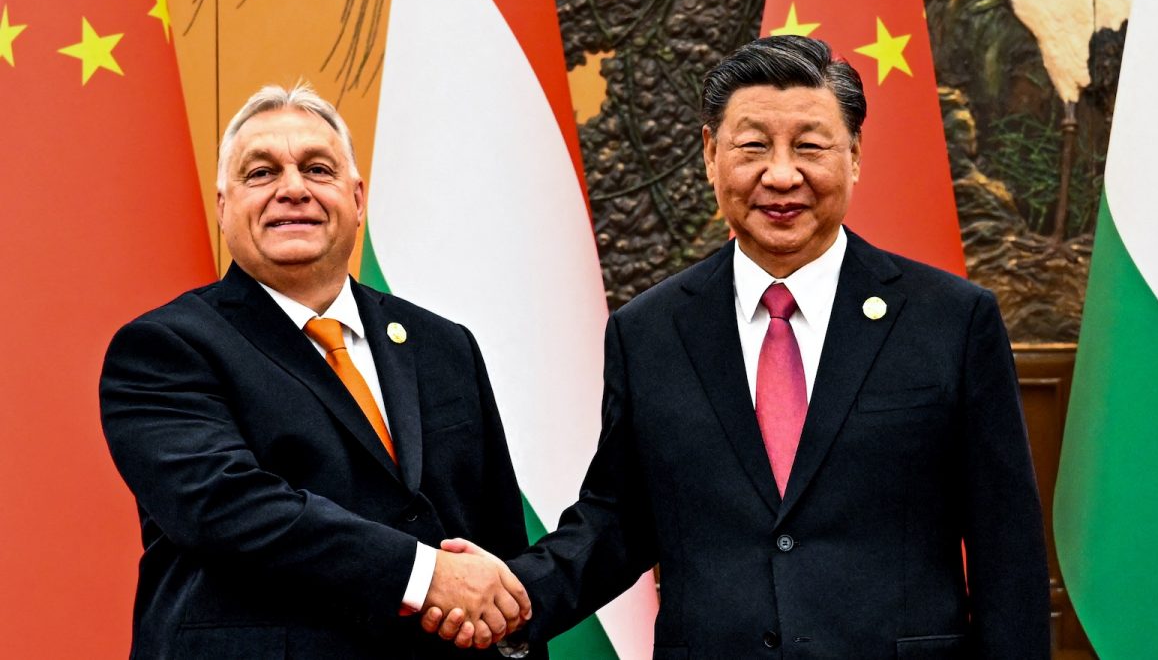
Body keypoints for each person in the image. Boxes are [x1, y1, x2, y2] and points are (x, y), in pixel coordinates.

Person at [428, 36, 1050, 658]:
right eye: (753, 146)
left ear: (855, 155)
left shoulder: (951, 320)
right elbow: (618, 519)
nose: (781, 175)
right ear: (710, 154)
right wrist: (516, 596)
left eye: (809, 146)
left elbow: (1006, 545)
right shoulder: (649, 331)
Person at [99, 84, 536, 659]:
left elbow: (498, 543)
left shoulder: (445, 345)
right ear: (223, 207)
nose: (293, 189)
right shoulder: (164, 347)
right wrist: (423, 574)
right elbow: (226, 507)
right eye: (261, 173)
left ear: (357, 199)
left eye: (317, 169)